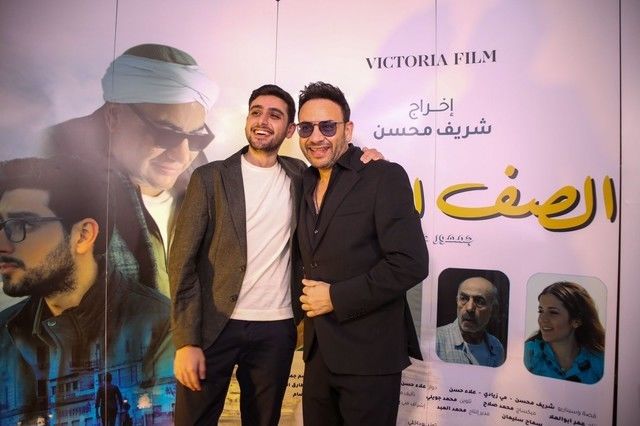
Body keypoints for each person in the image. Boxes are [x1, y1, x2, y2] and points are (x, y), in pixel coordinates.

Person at [169, 84, 381, 425]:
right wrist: (185, 341)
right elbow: (182, 262)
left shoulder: (302, 176)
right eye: (256, 112)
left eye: (274, 115)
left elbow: (343, 168)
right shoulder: (210, 177)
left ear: (290, 129)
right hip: (213, 326)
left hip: (277, 329)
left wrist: (367, 159)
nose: (262, 121)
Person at [0, 157, 173, 425]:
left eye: (21, 225)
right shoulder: (6, 332)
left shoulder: (160, 325)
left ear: (83, 235)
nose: (2, 244)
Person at [296, 81, 428, 426]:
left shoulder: (383, 176)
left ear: (348, 129)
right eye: (306, 128)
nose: (316, 137)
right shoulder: (303, 181)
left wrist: (335, 297)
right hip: (318, 354)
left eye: (328, 127)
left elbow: (410, 263)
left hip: (370, 356)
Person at [46, 43, 218, 296]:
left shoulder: (200, 172)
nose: (182, 156)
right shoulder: (51, 172)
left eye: (196, 137)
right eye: (166, 134)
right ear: (113, 116)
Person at [524, 281, 605, 384]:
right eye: (541, 311)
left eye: (553, 312)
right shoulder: (529, 354)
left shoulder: (600, 362)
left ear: (577, 321)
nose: (542, 319)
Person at [436, 276, 505, 367]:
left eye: (479, 301)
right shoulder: (436, 340)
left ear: (493, 310)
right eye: (464, 299)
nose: (469, 308)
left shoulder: (497, 347)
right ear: (457, 301)